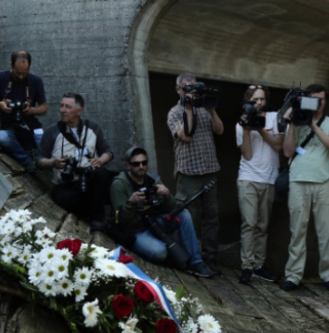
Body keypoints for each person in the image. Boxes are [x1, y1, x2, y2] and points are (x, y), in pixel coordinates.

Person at [110, 147, 218, 277]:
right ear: (128, 165)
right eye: (136, 164)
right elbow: (120, 220)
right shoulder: (120, 184)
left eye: (144, 163)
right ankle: (169, 254)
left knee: (184, 214)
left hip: (154, 222)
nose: (141, 166)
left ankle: (196, 263)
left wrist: (167, 195)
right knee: (160, 252)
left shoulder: (152, 178)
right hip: (135, 230)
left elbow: (172, 208)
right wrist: (131, 203)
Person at [280, 84, 329, 292]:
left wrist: (313, 125)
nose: (319, 103)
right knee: (297, 230)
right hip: (298, 181)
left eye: (322, 99)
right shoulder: (297, 121)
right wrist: (292, 123)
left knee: (326, 232)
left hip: (323, 182)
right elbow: (288, 152)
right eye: (314, 99)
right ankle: (293, 275)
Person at [167, 73, 224, 269]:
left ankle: (210, 257)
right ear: (178, 90)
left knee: (211, 217)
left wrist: (212, 110)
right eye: (187, 88)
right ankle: (190, 258)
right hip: (188, 173)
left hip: (209, 171)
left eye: (194, 88)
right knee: (189, 218)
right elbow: (186, 136)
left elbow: (220, 130)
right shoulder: (175, 112)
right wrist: (189, 109)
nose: (192, 92)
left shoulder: (205, 109)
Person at [37, 93, 113, 230]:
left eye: (67, 107)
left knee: (103, 175)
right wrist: (53, 163)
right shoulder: (52, 132)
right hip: (67, 185)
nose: (62, 110)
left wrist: (100, 161)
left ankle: (97, 220)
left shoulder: (92, 128)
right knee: (59, 196)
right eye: (61, 106)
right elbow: (38, 160)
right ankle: (87, 214)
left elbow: (108, 152)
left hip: (90, 180)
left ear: (79, 111)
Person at [235, 85, 283, 284]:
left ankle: (259, 266)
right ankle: (246, 266)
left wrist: (260, 129)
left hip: (269, 178)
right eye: (255, 100)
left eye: (262, 99)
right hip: (248, 177)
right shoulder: (240, 124)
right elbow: (247, 154)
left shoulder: (274, 118)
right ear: (248, 102)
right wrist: (247, 129)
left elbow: (278, 145)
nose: (259, 103)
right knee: (250, 223)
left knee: (262, 226)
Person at [0, 50, 47, 171]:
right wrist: (1, 105)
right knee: (1, 137)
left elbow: (44, 108)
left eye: (25, 73)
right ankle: (27, 162)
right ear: (11, 65)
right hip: (10, 129)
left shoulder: (35, 81)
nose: (21, 76)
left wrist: (32, 110)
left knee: (49, 146)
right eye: (18, 72)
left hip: (32, 128)